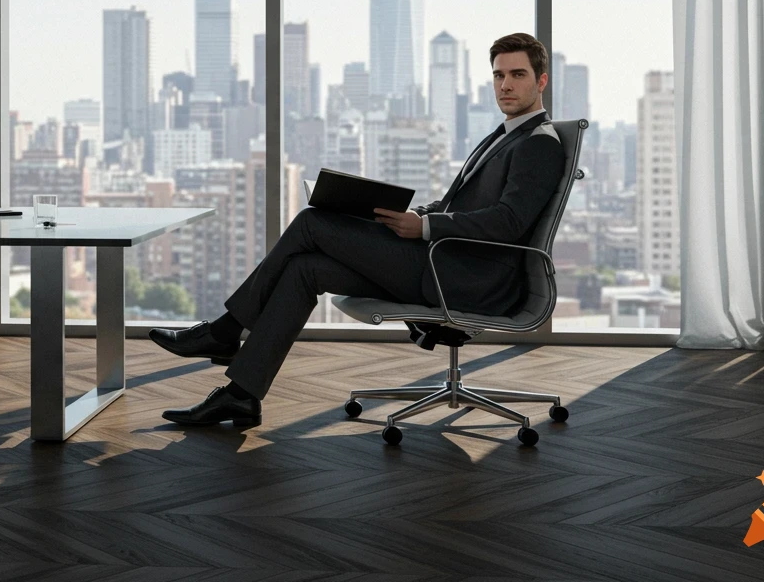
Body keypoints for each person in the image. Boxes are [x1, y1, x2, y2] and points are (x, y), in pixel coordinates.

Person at [148, 32, 567, 426]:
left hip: (464, 277)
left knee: (312, 222)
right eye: (498, 75)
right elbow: (459, 204)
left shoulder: (538, 143)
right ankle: (241, 394)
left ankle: (223, 332)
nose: (505, 85)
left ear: (541, 81)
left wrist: (424, 227)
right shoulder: (506, 135)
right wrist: (397, 214)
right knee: (305, 270)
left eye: (517, 75)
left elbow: (508, 223)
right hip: (446, 263)